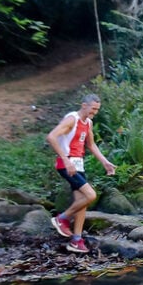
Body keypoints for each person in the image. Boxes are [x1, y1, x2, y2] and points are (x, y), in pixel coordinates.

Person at [47, 93, 115, 253]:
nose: (95, 112)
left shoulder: (88, 123)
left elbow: (91, 145)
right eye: (93, 109)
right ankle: (61, 218)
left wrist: (105, 162)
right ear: (84, 105)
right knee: (91, 195)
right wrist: (65, 160)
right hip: (67, 164)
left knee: (83, 202)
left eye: (97, 110)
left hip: (78, 164)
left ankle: (76, 240)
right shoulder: (72, 119)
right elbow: (51, 136)